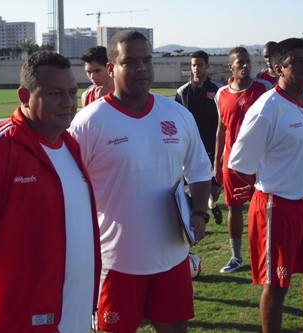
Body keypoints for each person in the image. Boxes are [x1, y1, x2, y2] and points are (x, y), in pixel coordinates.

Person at [0, 51, 102, 332]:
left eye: (71, 92)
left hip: (72, 313)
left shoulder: (70, 145)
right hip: (14, 318)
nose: (67, 103)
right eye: (55, 93)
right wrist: (10, 269)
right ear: (24, 95)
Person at [69, 30, 212, 333]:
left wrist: (199, 212)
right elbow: (68, 188)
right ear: (111, 68)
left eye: (146, 60)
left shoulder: (176, 114)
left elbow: (199, 169)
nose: (141, 68)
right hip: (116, 262)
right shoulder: (89, 122)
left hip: (172, 258)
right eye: (130, 61)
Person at [228, 38, 303, 333]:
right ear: (277, 69)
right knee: (277, 286)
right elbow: (238, 162)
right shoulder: (267, 108)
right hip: (276, 207)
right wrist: (260, 186)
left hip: (302, 207)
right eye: (296, 61)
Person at [214, 46, 272, 273]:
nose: (246, 65)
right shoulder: (221, 94)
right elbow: (221, 129)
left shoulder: (264, 88)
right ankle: (236, 257)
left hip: (261, 161)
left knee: (265, 207)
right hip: (232, 162)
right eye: (241, 62)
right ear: (231, 67)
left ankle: (267, 253)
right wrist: (218, 161)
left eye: (248, 61)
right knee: (233, 207)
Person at [175, 50, 224, 225]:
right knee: (192, 184)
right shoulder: (182, 92)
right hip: (192, 147)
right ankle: (195, 220)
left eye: (200, 65)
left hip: (214, 144)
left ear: (207, 67)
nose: (196, 68)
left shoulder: (218, 90)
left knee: (216, 186)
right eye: (193, 65)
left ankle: (212, 202)